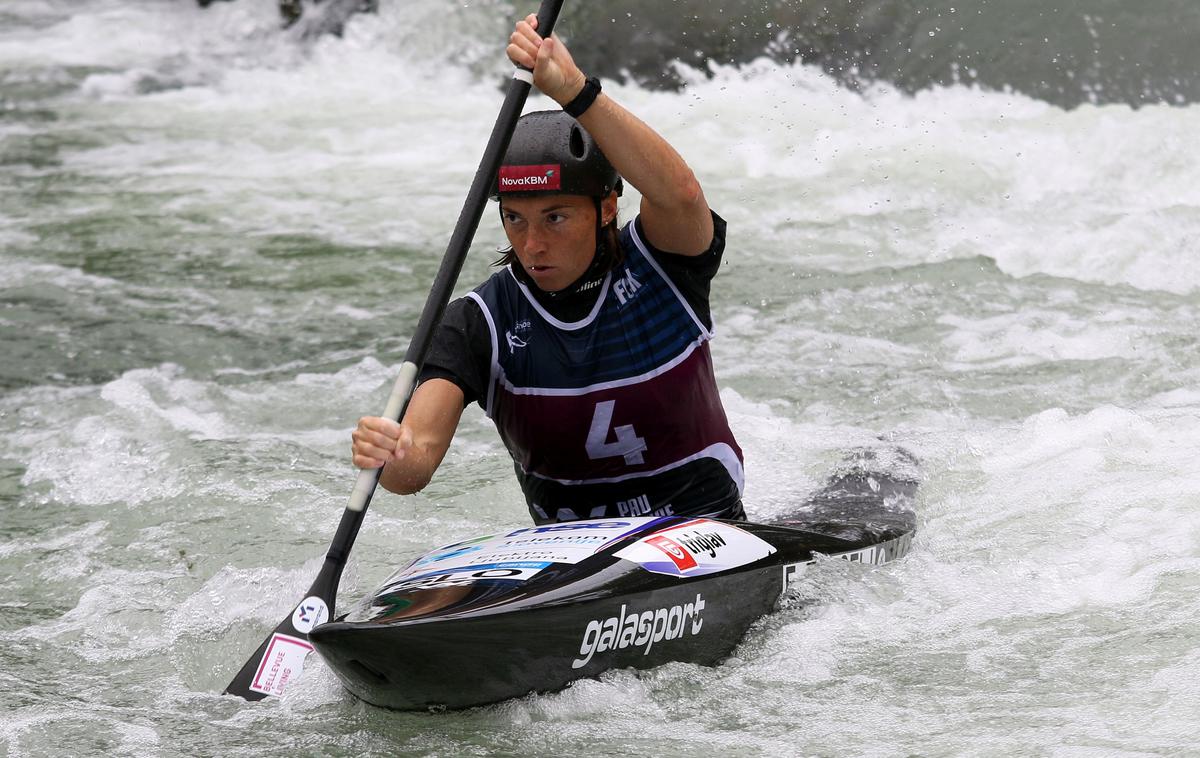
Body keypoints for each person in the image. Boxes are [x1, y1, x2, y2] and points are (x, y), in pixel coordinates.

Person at [350, 14, 745, 524]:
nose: (532, 244)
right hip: (567, 560)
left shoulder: (664, 266)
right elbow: (416, 464)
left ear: (605, 208)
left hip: (707, 532)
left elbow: (680, 193)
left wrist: (576, 91)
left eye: (555, 217)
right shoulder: (479, 322)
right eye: (514, 219)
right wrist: (393, 455)